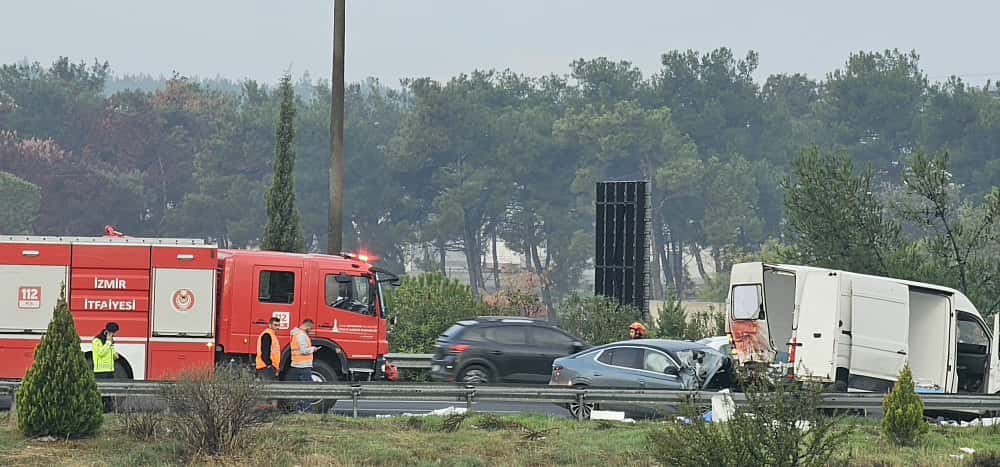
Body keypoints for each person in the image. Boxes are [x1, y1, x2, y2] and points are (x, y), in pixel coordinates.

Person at [289, 319, 319, 412]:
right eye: (311, 328)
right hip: (303, 366)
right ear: (307, 326)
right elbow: (304, 350)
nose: (311, 331)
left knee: (298, 389)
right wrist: (313, 349)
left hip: (296, 364)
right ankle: (307, 410)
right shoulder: (301, 335)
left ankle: (298, 409)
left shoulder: (295, 334)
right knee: (307, 389)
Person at [93, 322, 120, 412]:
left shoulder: (110, 341)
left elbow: (109, 353)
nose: (115, 336)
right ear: (111, 332)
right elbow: (100, 353)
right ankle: (100, 410)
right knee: (101, 393)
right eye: (114, 333)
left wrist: (115, 355)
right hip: (100, 371)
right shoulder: (97, 340)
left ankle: (108, 410)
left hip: (109, 370)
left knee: (108, 393)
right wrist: (108, 342)